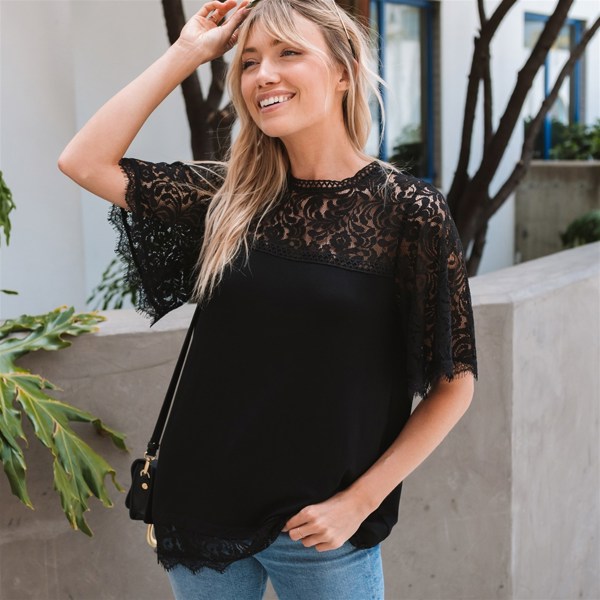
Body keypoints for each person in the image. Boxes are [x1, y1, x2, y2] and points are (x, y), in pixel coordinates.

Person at [58, 0, 478, 598]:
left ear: (344, 71)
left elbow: (454, 384)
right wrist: (188, 52)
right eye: (250, 61)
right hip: (201, 505)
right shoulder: (228, 199)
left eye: (288, 53)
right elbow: (82, 160)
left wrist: (359, 502)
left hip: (320, 529)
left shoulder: (408, 211)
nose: (264, 75)